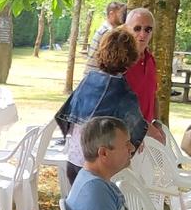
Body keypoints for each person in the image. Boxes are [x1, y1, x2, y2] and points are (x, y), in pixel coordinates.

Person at [60, 26, 147, 193]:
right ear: (131, 58)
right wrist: (136, 140)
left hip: (75, 161)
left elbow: (68, 117)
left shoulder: (87, 82)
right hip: (100, 168)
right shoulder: (125, 94)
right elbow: (134, 134)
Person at [123, 6, 168, 142]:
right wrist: (149, 129)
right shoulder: (121, 62)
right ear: (126, 28)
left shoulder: (150, 60)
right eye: (137, 28)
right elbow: (119, 105)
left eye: (148, 29)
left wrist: (157, 123)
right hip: (122, 138)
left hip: (143, 138)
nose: (143, 34)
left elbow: (153, 95)